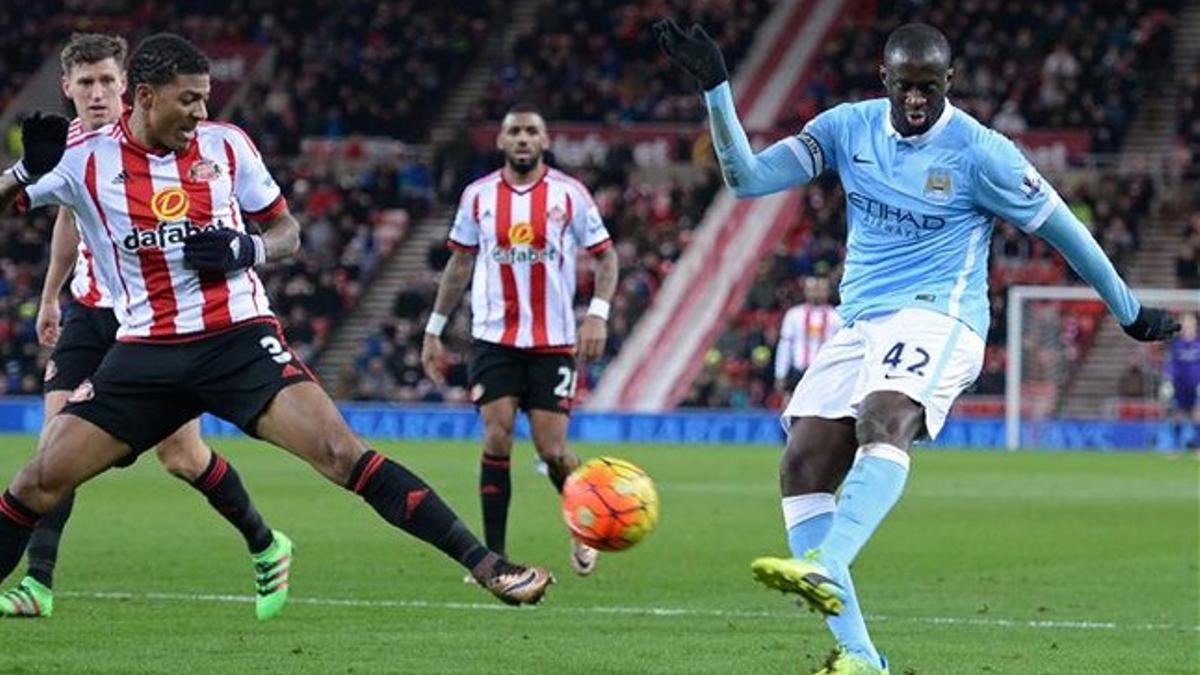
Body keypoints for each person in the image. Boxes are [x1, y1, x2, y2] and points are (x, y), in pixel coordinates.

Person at [656, 20, 1179, 674]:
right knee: (803, 463)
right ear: (885, 79)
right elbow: (748, 179)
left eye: (928, 88)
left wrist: (1126, 309)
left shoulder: (981, 153)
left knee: (884, 414)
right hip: (862, 321)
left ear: (949, 82)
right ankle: (859, 656)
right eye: (905, 86)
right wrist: (716, 88)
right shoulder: (847, 128)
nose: (915, 100)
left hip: (942, 316)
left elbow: (1065, 231)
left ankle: (827, 560)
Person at [0, 33, 551, 611]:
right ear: (144, 96)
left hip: (237, 338)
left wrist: (247, 250)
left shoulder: (227, 146)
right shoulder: (84, 159)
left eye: (204, 98)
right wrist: (22, 170)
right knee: (38, 481)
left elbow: (284, 229)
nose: (201, 112)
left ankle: (491, 567)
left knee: (343, 453)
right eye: (188, 100)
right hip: (146, 352)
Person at [0, 32, 291, 621]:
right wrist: (54, 295)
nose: (98, 93)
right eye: (86, 83)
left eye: (108, 80)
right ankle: (39, 582)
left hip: (161, 320)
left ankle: (265, 543)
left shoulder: (158, 143)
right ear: (67, 89)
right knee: (53, 451)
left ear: (131, 87)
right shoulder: (65, 149)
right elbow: (68, 223)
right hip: (93, 312)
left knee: (183, 457)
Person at [420, 104, 619, 577]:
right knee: (497, 436)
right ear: (502, 142)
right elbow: (460, 265)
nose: (524, 139)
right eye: (515, 132)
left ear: (546, 141)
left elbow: (606, 257)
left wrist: (598, 315)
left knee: (553, 452)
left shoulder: (570, 195)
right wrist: (433, 328)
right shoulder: (478, 196)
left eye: (532, 131)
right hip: (493, 339)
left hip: (553, 341)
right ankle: (492, 557)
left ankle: (583, 527)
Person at [775, 276, 842, 400]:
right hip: (798, 372)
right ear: (805, 291)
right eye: (812, 289)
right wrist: (780, 373)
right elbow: (785, 346)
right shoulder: (794, 315)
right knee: (791, 410)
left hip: (825, 373)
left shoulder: (837, 317)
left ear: (828, 291)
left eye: (821, 289)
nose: (816, 292)